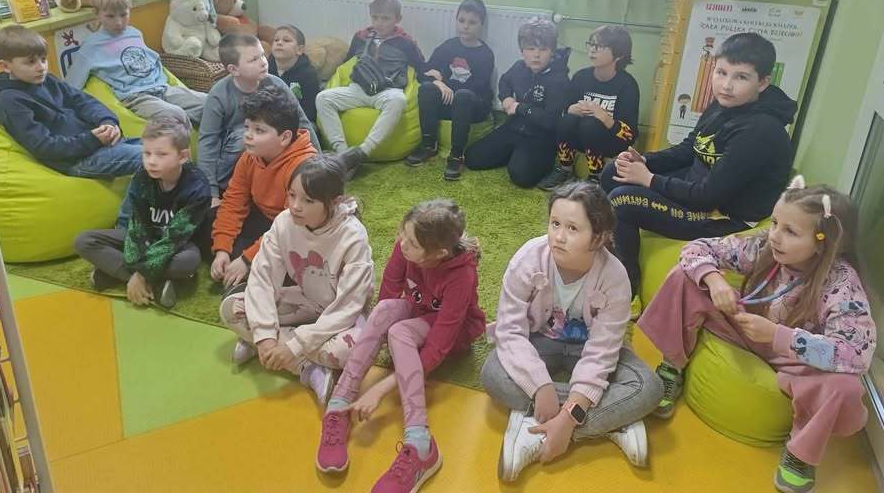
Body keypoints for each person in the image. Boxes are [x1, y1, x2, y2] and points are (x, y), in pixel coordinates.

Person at [638, 176, 876, 493]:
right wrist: (714, 280)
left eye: (790, 231)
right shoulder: (764, 245)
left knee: (845, 386)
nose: (775, 235)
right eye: (775, 223)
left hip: (795, 361)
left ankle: (801, 453)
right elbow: (697, 248)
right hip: (747, 328)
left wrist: (778, 336)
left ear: (823, 241)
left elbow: (855, 352)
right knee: (685, 276)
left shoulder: (841, 283)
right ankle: (672, 365)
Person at [481, 181, 661, 481]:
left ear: (599, 237)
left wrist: (568, 418)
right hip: (539, 341)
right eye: (555, 224)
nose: (559, 237)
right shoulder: (528, 258)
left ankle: (536, 429)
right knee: (493, 373)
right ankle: (613, 422)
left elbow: (602, 353)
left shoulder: (615, 277)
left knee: (649, 388)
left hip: (588, 350)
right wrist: (540, 386)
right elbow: (510, 331)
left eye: (573, 228)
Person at [601, 32, 797, 297]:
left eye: (741, 77)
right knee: (614, 171)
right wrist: (644, 160)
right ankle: (610, 250)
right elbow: (690, 149)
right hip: (698, 185)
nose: (726, 85)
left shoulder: (759, 131)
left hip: (723, 216)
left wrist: (648, 179)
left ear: (762, 82)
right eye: (721, 72)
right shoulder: (723, 104)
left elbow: (708, 196)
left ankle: (626, 290)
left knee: (622, 200)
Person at [316, 200, 486, 493]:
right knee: (385, 312)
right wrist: (379, 336)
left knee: (400, 333)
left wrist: (381, 388)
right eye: (402, 235)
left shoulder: (462, 276)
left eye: (412, 243)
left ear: (438, 254)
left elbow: (438, 346)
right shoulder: (405, 246)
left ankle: (421, 444)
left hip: (454, 332)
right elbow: (388, 294)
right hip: (417, 312)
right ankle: (340, 403)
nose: (402, 243)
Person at [219, 155, 374, 403]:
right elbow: (262, 279)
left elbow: (348, 306)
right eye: (292, 195)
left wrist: (293, 346)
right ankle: (308, 368)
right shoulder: (284, 222)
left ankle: (263, 343)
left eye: (308, 200)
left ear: (334, 202)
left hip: (341, 315)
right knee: (231, 308)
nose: (295, 206)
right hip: (306, 301)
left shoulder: (353, 236)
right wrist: (266, 337)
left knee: (350, 350)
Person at [74, 116, 210, 309]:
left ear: (182, 156)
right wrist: (138, 274)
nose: (151, 162)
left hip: (177, 246)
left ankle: (116, 274)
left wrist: (142, 273)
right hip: (145, 238)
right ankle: (156, 284)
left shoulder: (197, 187)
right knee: (84, 241)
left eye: (161, 155)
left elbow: (174, 239)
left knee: (189, 261)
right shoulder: (142, 177)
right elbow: (137, 228)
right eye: (147, 153)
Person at [0, 24, 142, 178]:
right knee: (150, 157)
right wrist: (92, 140)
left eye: (43, 59)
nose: (41, 67)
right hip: (79, 160)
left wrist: (108, 122)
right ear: (5, 66)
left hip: (99, 144)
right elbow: (44, 147)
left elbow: (84, 101)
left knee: (157, 145)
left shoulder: (48, 80)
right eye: (31, 62)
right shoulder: (9, 101)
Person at [209, 82, 317, 290]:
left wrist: (247, 258)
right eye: (247, 127)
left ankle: (253, 276)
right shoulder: (250, 156)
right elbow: (233, 202)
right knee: (210, 219)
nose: (248, 135)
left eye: (259, 130)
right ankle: (241, 269)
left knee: (298, 256)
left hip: (298, 228)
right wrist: (222, 249)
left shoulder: (304, 167)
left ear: (285, 137)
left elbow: (295, 225)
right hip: (267, 222)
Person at [198, 32, 319, 207]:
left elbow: (302, 122)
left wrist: (318, 165)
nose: (263, 62)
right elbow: (208, 142)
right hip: (234, 155)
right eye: (254, 59)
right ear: (233, 69)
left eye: (262, 55)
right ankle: (232, 189)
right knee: (245, 138)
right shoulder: (219, 94)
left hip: (271, 149)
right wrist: (211, 192)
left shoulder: (276, 84)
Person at [64, 0, 207, 127]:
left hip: (162, 88)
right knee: (176, 114)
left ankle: (212, 136)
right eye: (110, 16)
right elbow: (71, 85)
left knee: (210, 102)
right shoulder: (92, 45)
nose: (119, 22)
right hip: (136, 96)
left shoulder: (135, 34)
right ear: (96, 13)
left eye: (124, 14)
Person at [315, 0, 425, 178]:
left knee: (398, 100)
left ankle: (362, 152)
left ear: (397, 19)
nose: (379, 23)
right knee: (323, 98)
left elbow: (421, 67)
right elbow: (347, 63)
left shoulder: (405, 42)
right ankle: (343, 154)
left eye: (385, 18)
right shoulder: (360, 37)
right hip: (358, 89)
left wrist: (435, 77)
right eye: (375, 17)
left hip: (388, 90)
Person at [465, 17, 570, 188]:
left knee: (521, 177)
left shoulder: (560, 79)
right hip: (513, 127)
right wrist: (506, 97)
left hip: (540, 136)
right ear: (522, 51)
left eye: (543, 49)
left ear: (552, 51)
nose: (536, 55)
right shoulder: (519, 67)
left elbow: (550, 120)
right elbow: (505, 81)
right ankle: (514, 154)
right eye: (531, 49)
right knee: (472, 159)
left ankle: (528, 159)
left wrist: (520, 108)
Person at [538, 25, 639, 190]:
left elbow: (629, 135)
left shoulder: (627, 85)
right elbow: (562, 110)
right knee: (568, 120)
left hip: (611, 141)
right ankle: (565, 170)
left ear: (619, 54)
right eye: (591, 44)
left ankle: (596, 177)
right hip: (582, 137)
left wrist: (604, 117)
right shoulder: (581, 77)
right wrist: (570, 110)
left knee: (591, 124)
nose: (592, 50)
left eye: (600, 46)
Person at [405, 0, 494, 181]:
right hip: (449, 101)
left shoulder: (485, 54)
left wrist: (446, 83)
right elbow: (424, 71)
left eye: (472, 22)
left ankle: (457, 154)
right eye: (461, 21)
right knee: (428, 88)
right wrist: (438, 82)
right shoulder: (448, 46)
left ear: (481, 25)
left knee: (462, 95)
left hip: (472, 106)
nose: (465, 26)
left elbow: (477, 87)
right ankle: (428, 144)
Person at [268, 24, 320, 123]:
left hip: (299, 121)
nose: (279, 42)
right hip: (267, 120)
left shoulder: (308, 74)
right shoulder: (264, 69)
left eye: (286, 40)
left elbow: (310, 111)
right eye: (276, 40)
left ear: (300, 50)